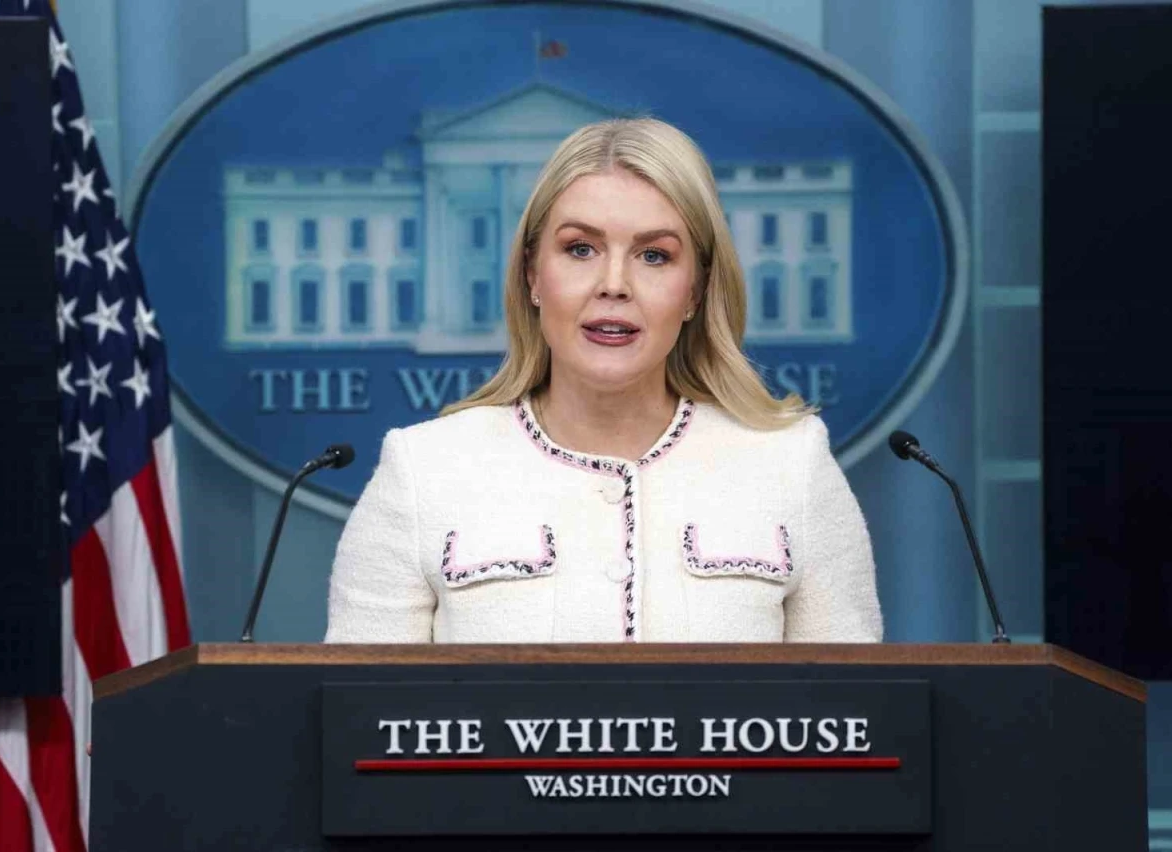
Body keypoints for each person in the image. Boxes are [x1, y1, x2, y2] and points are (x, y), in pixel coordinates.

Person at [324, 117, 882, 644]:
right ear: (532, 275)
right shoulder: (422, 471)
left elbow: (854, 704)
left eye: (654, 256)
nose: (614, 284)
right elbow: (361, 707)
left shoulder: (791, 464)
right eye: (580, 249)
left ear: (695, 291)